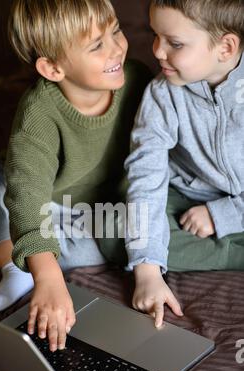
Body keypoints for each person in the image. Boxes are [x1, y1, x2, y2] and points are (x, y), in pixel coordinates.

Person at [0, 0, 151, 351]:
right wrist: (47, 275)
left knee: (120, 239)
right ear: (53, 68)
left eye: (115, 30)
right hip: (33, 200)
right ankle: (16, 268)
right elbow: (26, 191)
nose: (116, 47)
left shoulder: (138, 80)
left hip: (87, 215)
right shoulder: (39, 111)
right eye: (96, 45)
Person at [124, 0, 244, 330]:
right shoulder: (163, 93)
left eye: (174, 43)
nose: (158, 51)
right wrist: (147, 270)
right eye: (155, 36)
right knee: (123, 231)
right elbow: (146, 175)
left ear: (226, 47)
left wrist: (224, 215)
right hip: (186, 192)